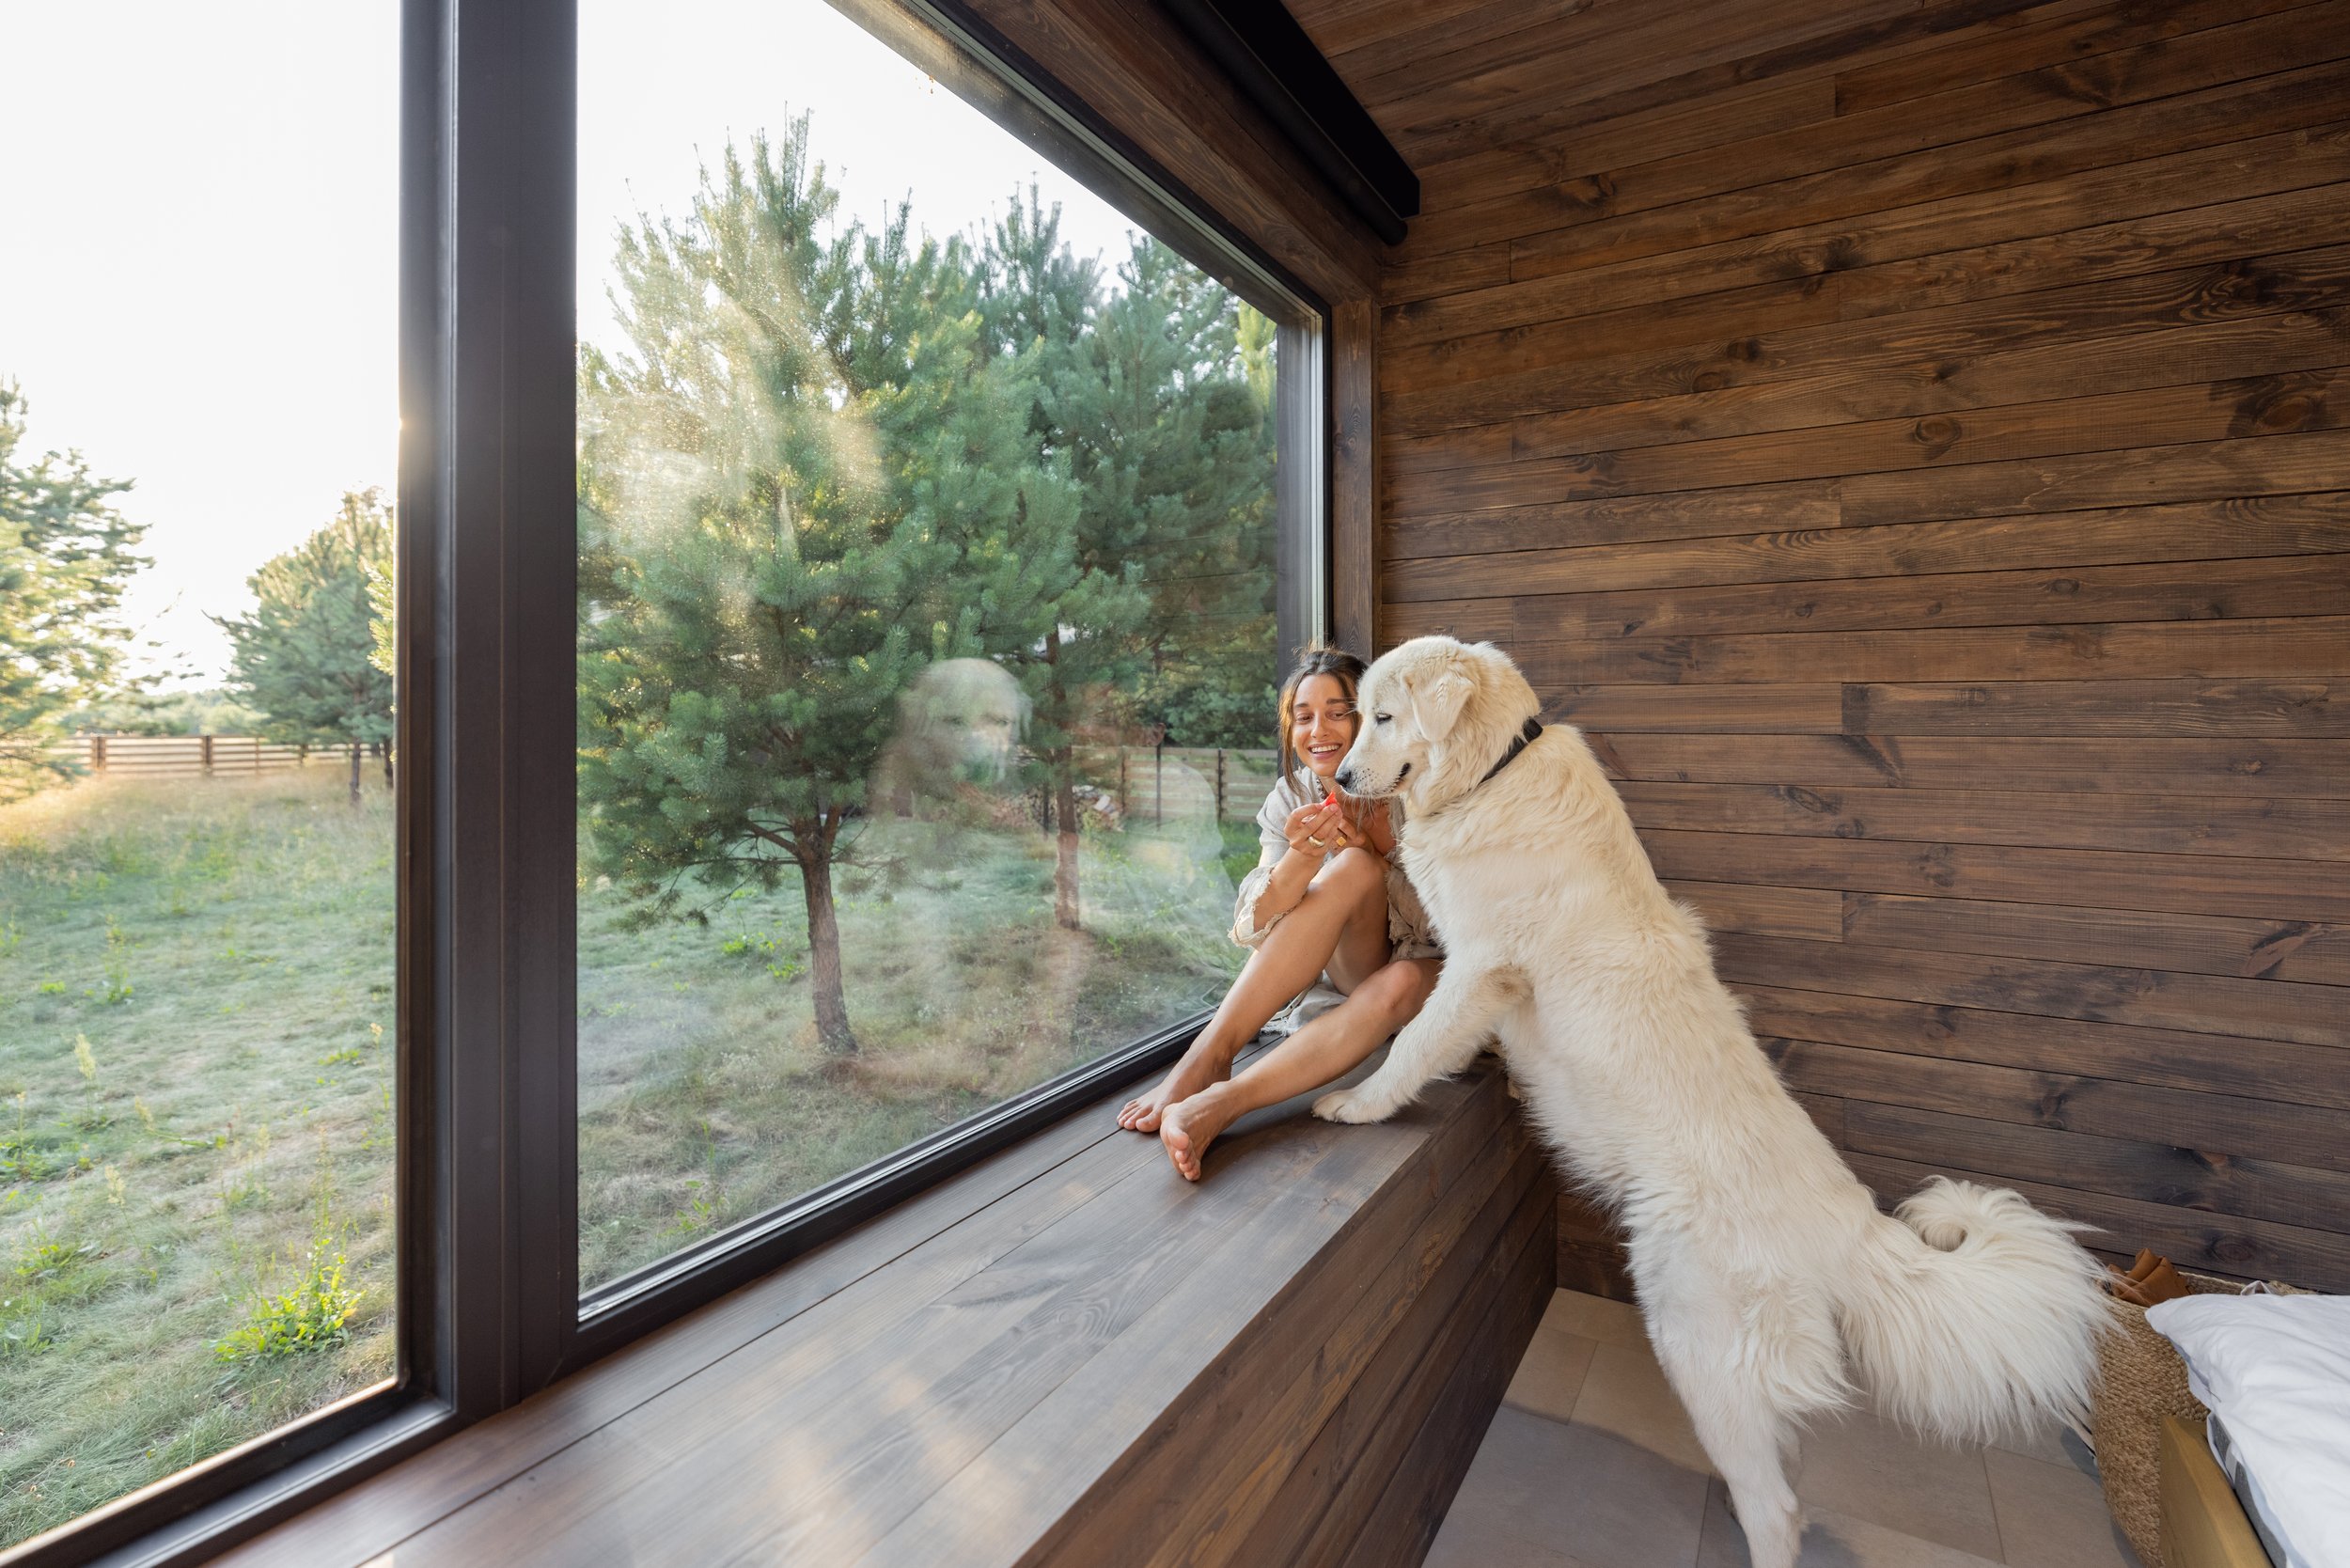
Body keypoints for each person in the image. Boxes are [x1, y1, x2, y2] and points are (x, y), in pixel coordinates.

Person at [1116, 645, 1443, 1181]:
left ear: (1372, 717)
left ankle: (1227, 1101)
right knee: (1351, 870)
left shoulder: (1422, 786)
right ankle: (1208, 1056)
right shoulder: (1295, 795)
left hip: (1433, 966)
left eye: (1339, 712)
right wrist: (1304, 858)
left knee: (1401, 972)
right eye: (1303, 716)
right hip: (1356, 969)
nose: (1320, 731)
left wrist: (1378, 849)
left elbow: (1461, 919)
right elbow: (1253, 929)